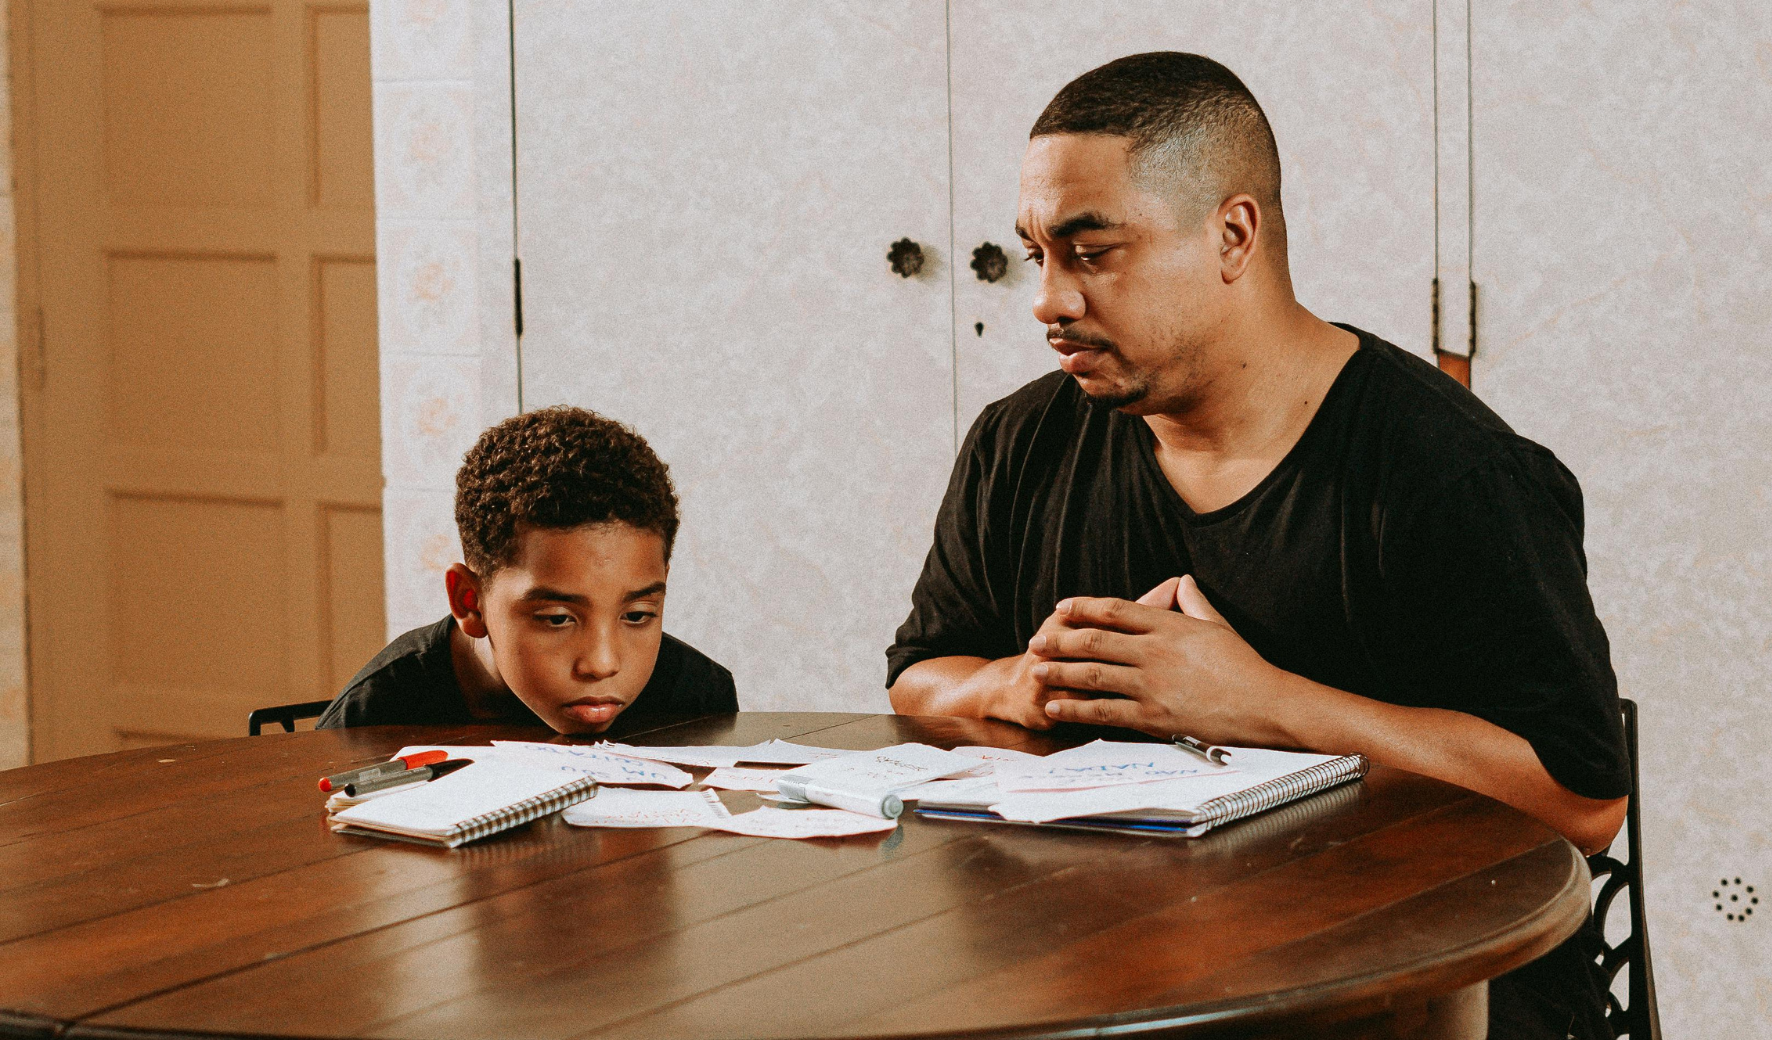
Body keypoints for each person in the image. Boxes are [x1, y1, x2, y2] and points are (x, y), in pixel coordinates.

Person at [885, 52, 1628, 1040]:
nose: (1047, 300)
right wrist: (1013, 684)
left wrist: (1263, 704)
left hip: (1419, 983)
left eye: (1091, 251)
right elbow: (919, 676)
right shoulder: (1017, 445)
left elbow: (1578, 797)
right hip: (1109, 964)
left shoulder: (1449, 471)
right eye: (1035, 256)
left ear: (1231, 234)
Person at [319, 406, 736, 734]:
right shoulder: (371, 719)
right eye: (557, 619)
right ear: (470, 601)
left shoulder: (698, 701)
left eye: (637, 616)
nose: (602, 663)